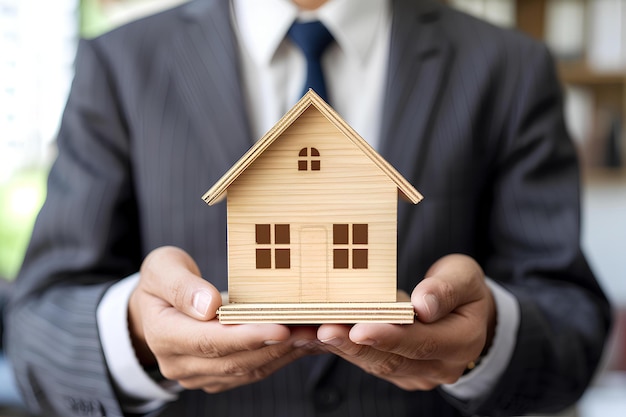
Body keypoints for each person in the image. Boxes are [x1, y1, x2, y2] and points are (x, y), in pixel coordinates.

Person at [6, 0, 612, 416]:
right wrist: (136, 337)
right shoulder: (119, 64)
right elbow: (37, 326)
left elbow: (573, 323)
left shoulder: (510, 68)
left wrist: (490, 337)